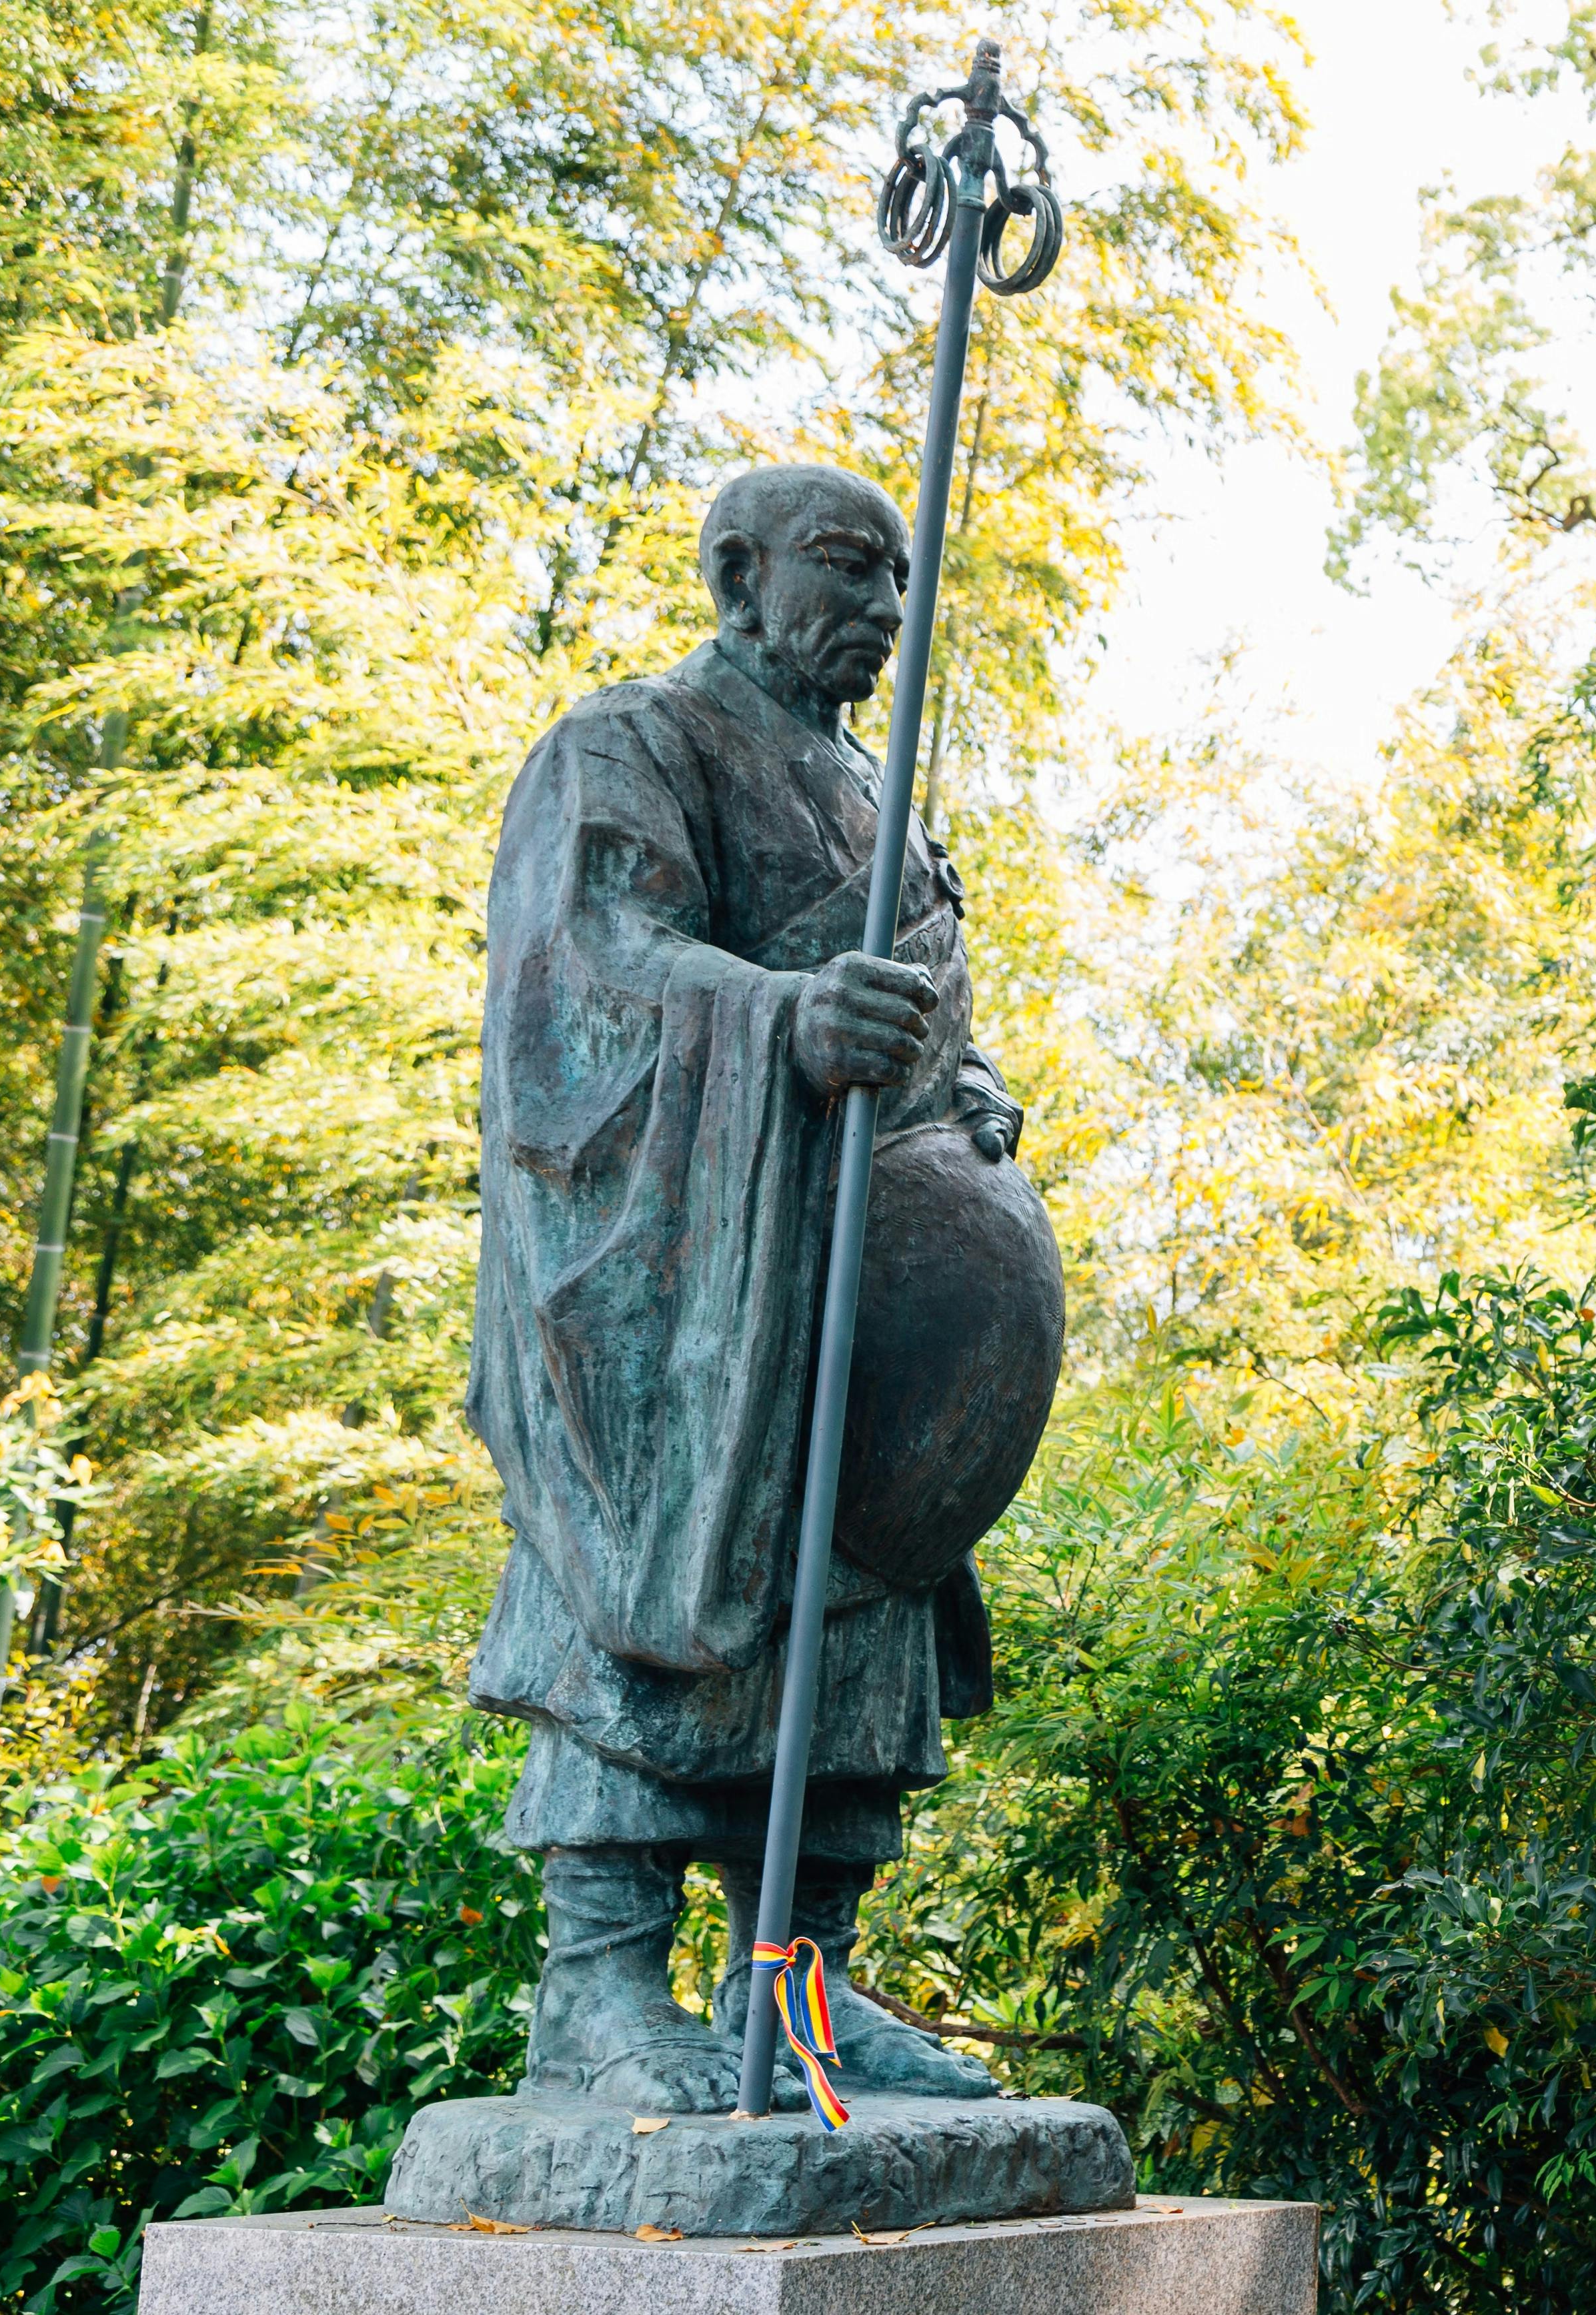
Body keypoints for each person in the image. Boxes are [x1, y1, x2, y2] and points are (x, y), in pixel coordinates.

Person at [464, 464, 1030, 2111]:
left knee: (851, 1628)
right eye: (848, 568)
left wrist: (964, 1085)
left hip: (867, 1338)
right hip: (702, 1285)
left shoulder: (879, 791)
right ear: (735, 573)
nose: (885, 609)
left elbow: (924, 1001)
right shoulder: (631, 746)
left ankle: (799, 1984)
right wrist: (780, 1020)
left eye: (899, 577)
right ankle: (598, 1986)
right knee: (669, 1591)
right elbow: (590, 969)